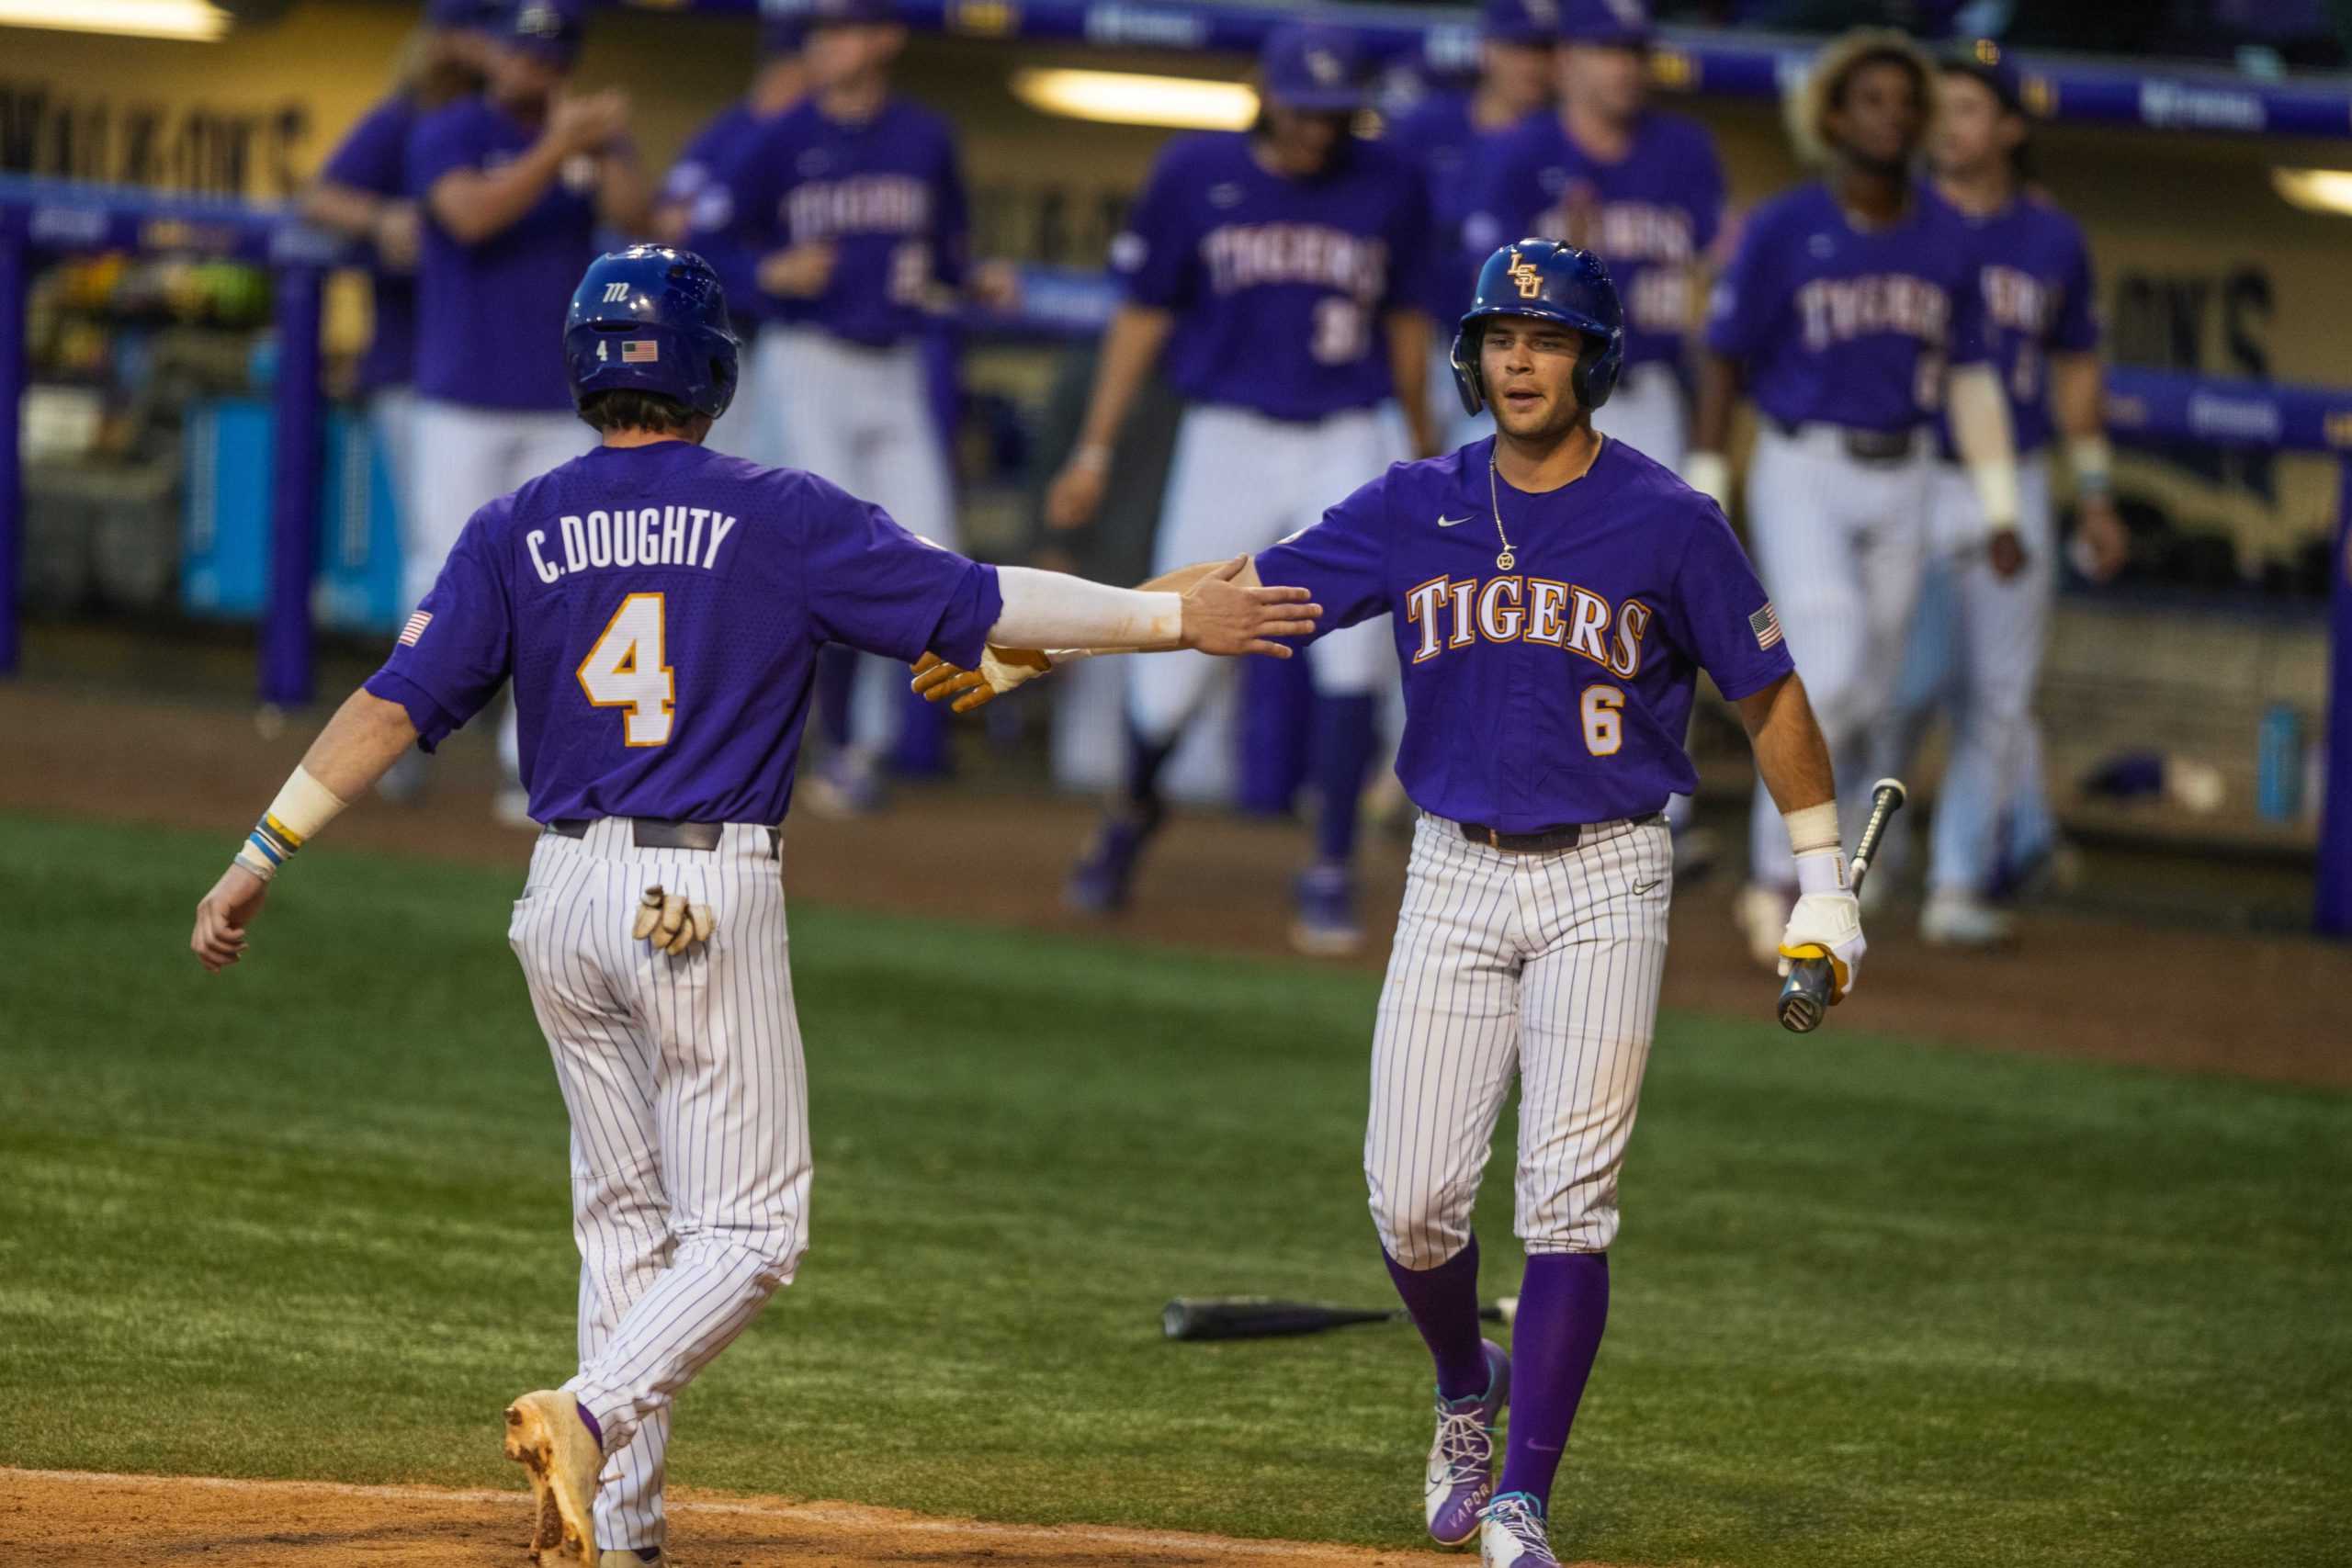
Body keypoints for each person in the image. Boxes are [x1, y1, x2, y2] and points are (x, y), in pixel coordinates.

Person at [187, 246, 1320, 1568]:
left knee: (624, 1220)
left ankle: (619, 1531)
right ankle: (592, 1410)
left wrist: (262, 848)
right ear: (714, 370)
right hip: (697, 893)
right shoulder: (777, 512)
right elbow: (986, 604)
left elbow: (393, 702)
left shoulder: (520, 522)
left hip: (558, 892)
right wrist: (1178, 620)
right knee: (752, 1231)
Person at [915, 240, 1864, 1568]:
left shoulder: (1669, 519)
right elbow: (1244, 589)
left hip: (1610, 871)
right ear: (1473, 356)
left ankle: (1525, 1496)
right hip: (1452, 868)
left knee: (1567, 1200)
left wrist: (1825, 881)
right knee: (1413, 1201)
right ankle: (1463, 1389)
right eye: (1502, 338)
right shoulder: (1415, 500)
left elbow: (1771, 696)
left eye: (1548, 339)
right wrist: (1045, 641)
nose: (1521, 360)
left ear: (1594, 360)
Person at [1040, 21, 1441, 956]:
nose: (1316, 131)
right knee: (1179, 658)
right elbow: (1143, 316)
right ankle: (1131, 812)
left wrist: (1420, 444)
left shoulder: (1390, 179)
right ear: (1267, 94)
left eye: (1334, 113)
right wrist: (1092, 451)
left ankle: (1331, 863)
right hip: (1223, 431)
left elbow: (1408, 322)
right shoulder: (1193, 173)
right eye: (1304, 109)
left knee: (1352, 657)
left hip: (1345, 429)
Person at [1687, 28, 2021, 967]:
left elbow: (1970, 378)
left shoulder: (1947, 236)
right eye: (1870, 100)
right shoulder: (1787, 227)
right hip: (1805, 464)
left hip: (1908, 468)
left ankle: (1793, 873)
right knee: (1822, 671)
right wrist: (1711, 488)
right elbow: (1725, 360)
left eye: (1904, 102)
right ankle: (1776, 880)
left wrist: (1999, 505)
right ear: (1833, 115)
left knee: (1867, 693)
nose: (1891, 117)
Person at [692, 0, 1008, 816]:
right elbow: (710, 250)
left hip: (897, 364)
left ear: (885, 38)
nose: (825, 46)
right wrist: (768, 276)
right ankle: (835, 745)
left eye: (842, 31)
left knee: (929, 552)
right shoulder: (779, 136)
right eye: (820, 33)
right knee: (826, 554)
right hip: (808, 361)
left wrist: (976, 280)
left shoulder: (924, 137)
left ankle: (858, 743)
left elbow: (948, 251)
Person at [1870, 46, 2128, 945]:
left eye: (1971, 108)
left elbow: (2077, 369)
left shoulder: (2051, 239)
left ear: (2011, 129)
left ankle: (1954, 885)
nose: (1948, 122)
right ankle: (1866, 864)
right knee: (1897, 692)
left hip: (2008, 479)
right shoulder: (1894, 213)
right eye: (1939, 105)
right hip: (1909, 471)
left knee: (1999, 697)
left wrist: (2092, 493)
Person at [1463, 0, 1726, 867]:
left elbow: (1708, 276)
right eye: (1606, 50)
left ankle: (1656, 813)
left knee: (1656, 609)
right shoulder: (1522, 155)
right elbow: (1489, 308)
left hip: (1650, 394)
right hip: (1548, 402)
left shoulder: (1684, 152)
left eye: (1635, 52)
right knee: (1544, 601)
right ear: (1567, 58)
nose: (1624, 67)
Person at [408, 0, 652, 822]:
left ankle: (530, 768)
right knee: (439, 576)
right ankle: (404, 734)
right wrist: (560, 147)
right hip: (459, 396)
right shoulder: (448, 128)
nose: (534, 70)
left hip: (557, 398)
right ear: (494, 55)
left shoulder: (583, 138)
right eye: (522, 54)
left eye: (550, 57)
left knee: (563, 587)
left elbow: (641, 218)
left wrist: (604, 144)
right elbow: (470, 217)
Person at [302, 0, 503, 801]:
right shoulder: (406, 120)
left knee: (511, 563)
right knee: (440, 557)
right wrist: (384, 212)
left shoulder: (515, 126)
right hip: (414, 372)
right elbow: (319, 197)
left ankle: (472, 734)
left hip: (505, 381)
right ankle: (402, 732)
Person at [1382, 0, 1557, 438]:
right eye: (1518, 47)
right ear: (1486, 50)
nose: (1532, 64)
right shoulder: (1427, 126)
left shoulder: (1564, 144)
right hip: (1418, 339)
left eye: (1543, 50)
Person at [649, 2, 808, 464]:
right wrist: (760, 270)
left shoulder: (780, 135)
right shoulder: (734, 135)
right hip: (721, 332)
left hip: (775, 334)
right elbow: (670, 231)